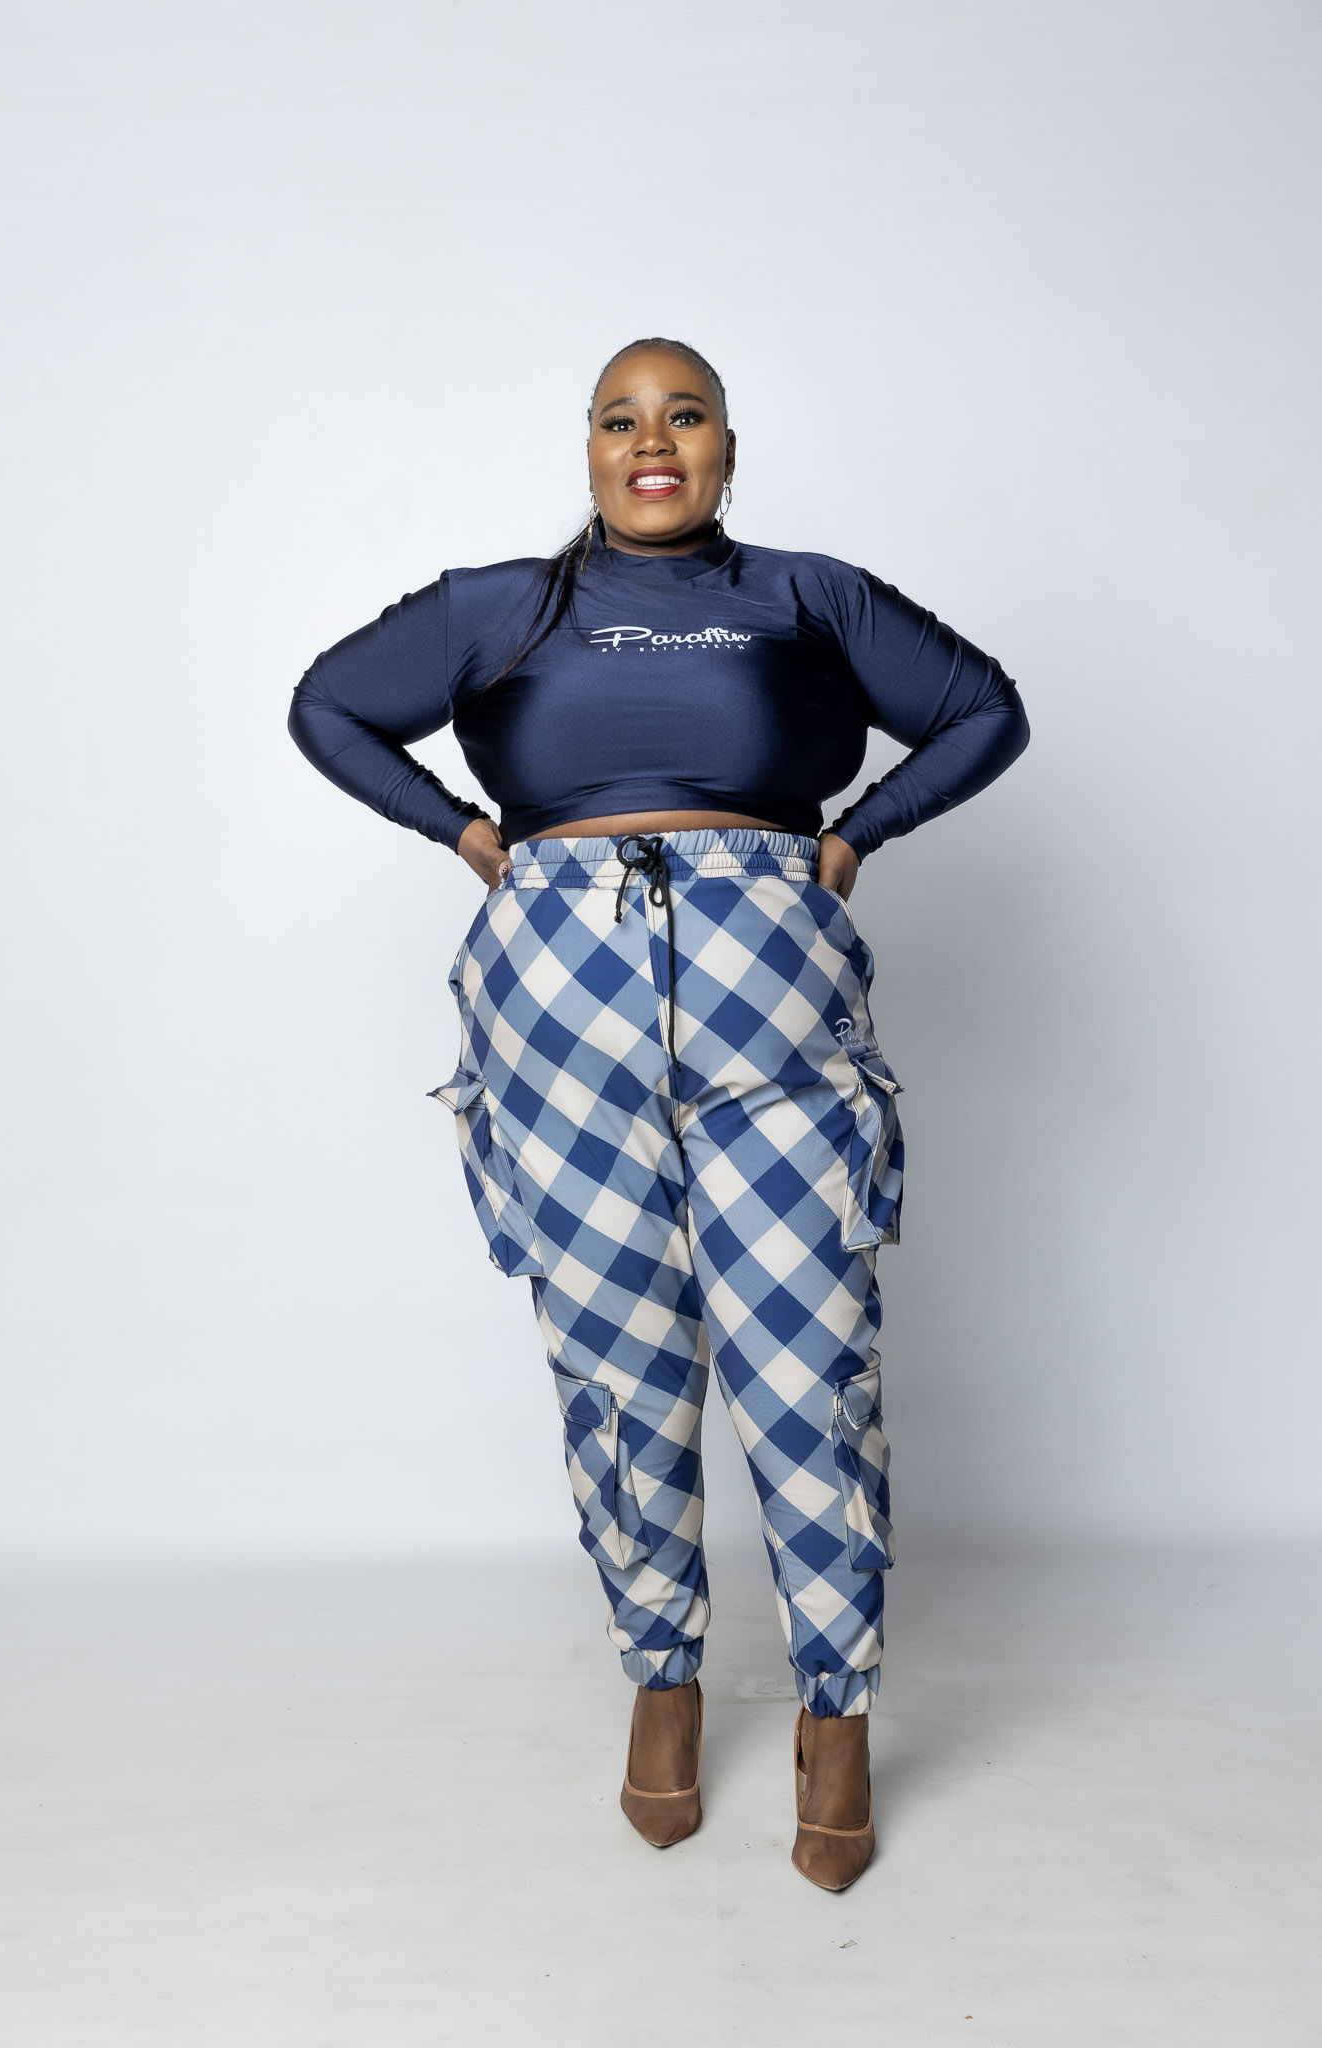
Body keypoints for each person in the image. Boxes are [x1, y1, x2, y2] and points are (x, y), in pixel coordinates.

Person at [287, 336, 1030, 1891]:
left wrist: (850, 839)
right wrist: (467, 835)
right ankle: (662, 1674)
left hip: (773, 993)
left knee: (808, 1360)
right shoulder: (500, 606)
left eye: (683, 415)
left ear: (725, 450)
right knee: (614, 1362)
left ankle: (836, 1707)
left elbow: (981, 710)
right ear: (586, 450)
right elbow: (327, 707)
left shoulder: (808, 596)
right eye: (619, 418)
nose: (652, 440)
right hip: (555, 1002)